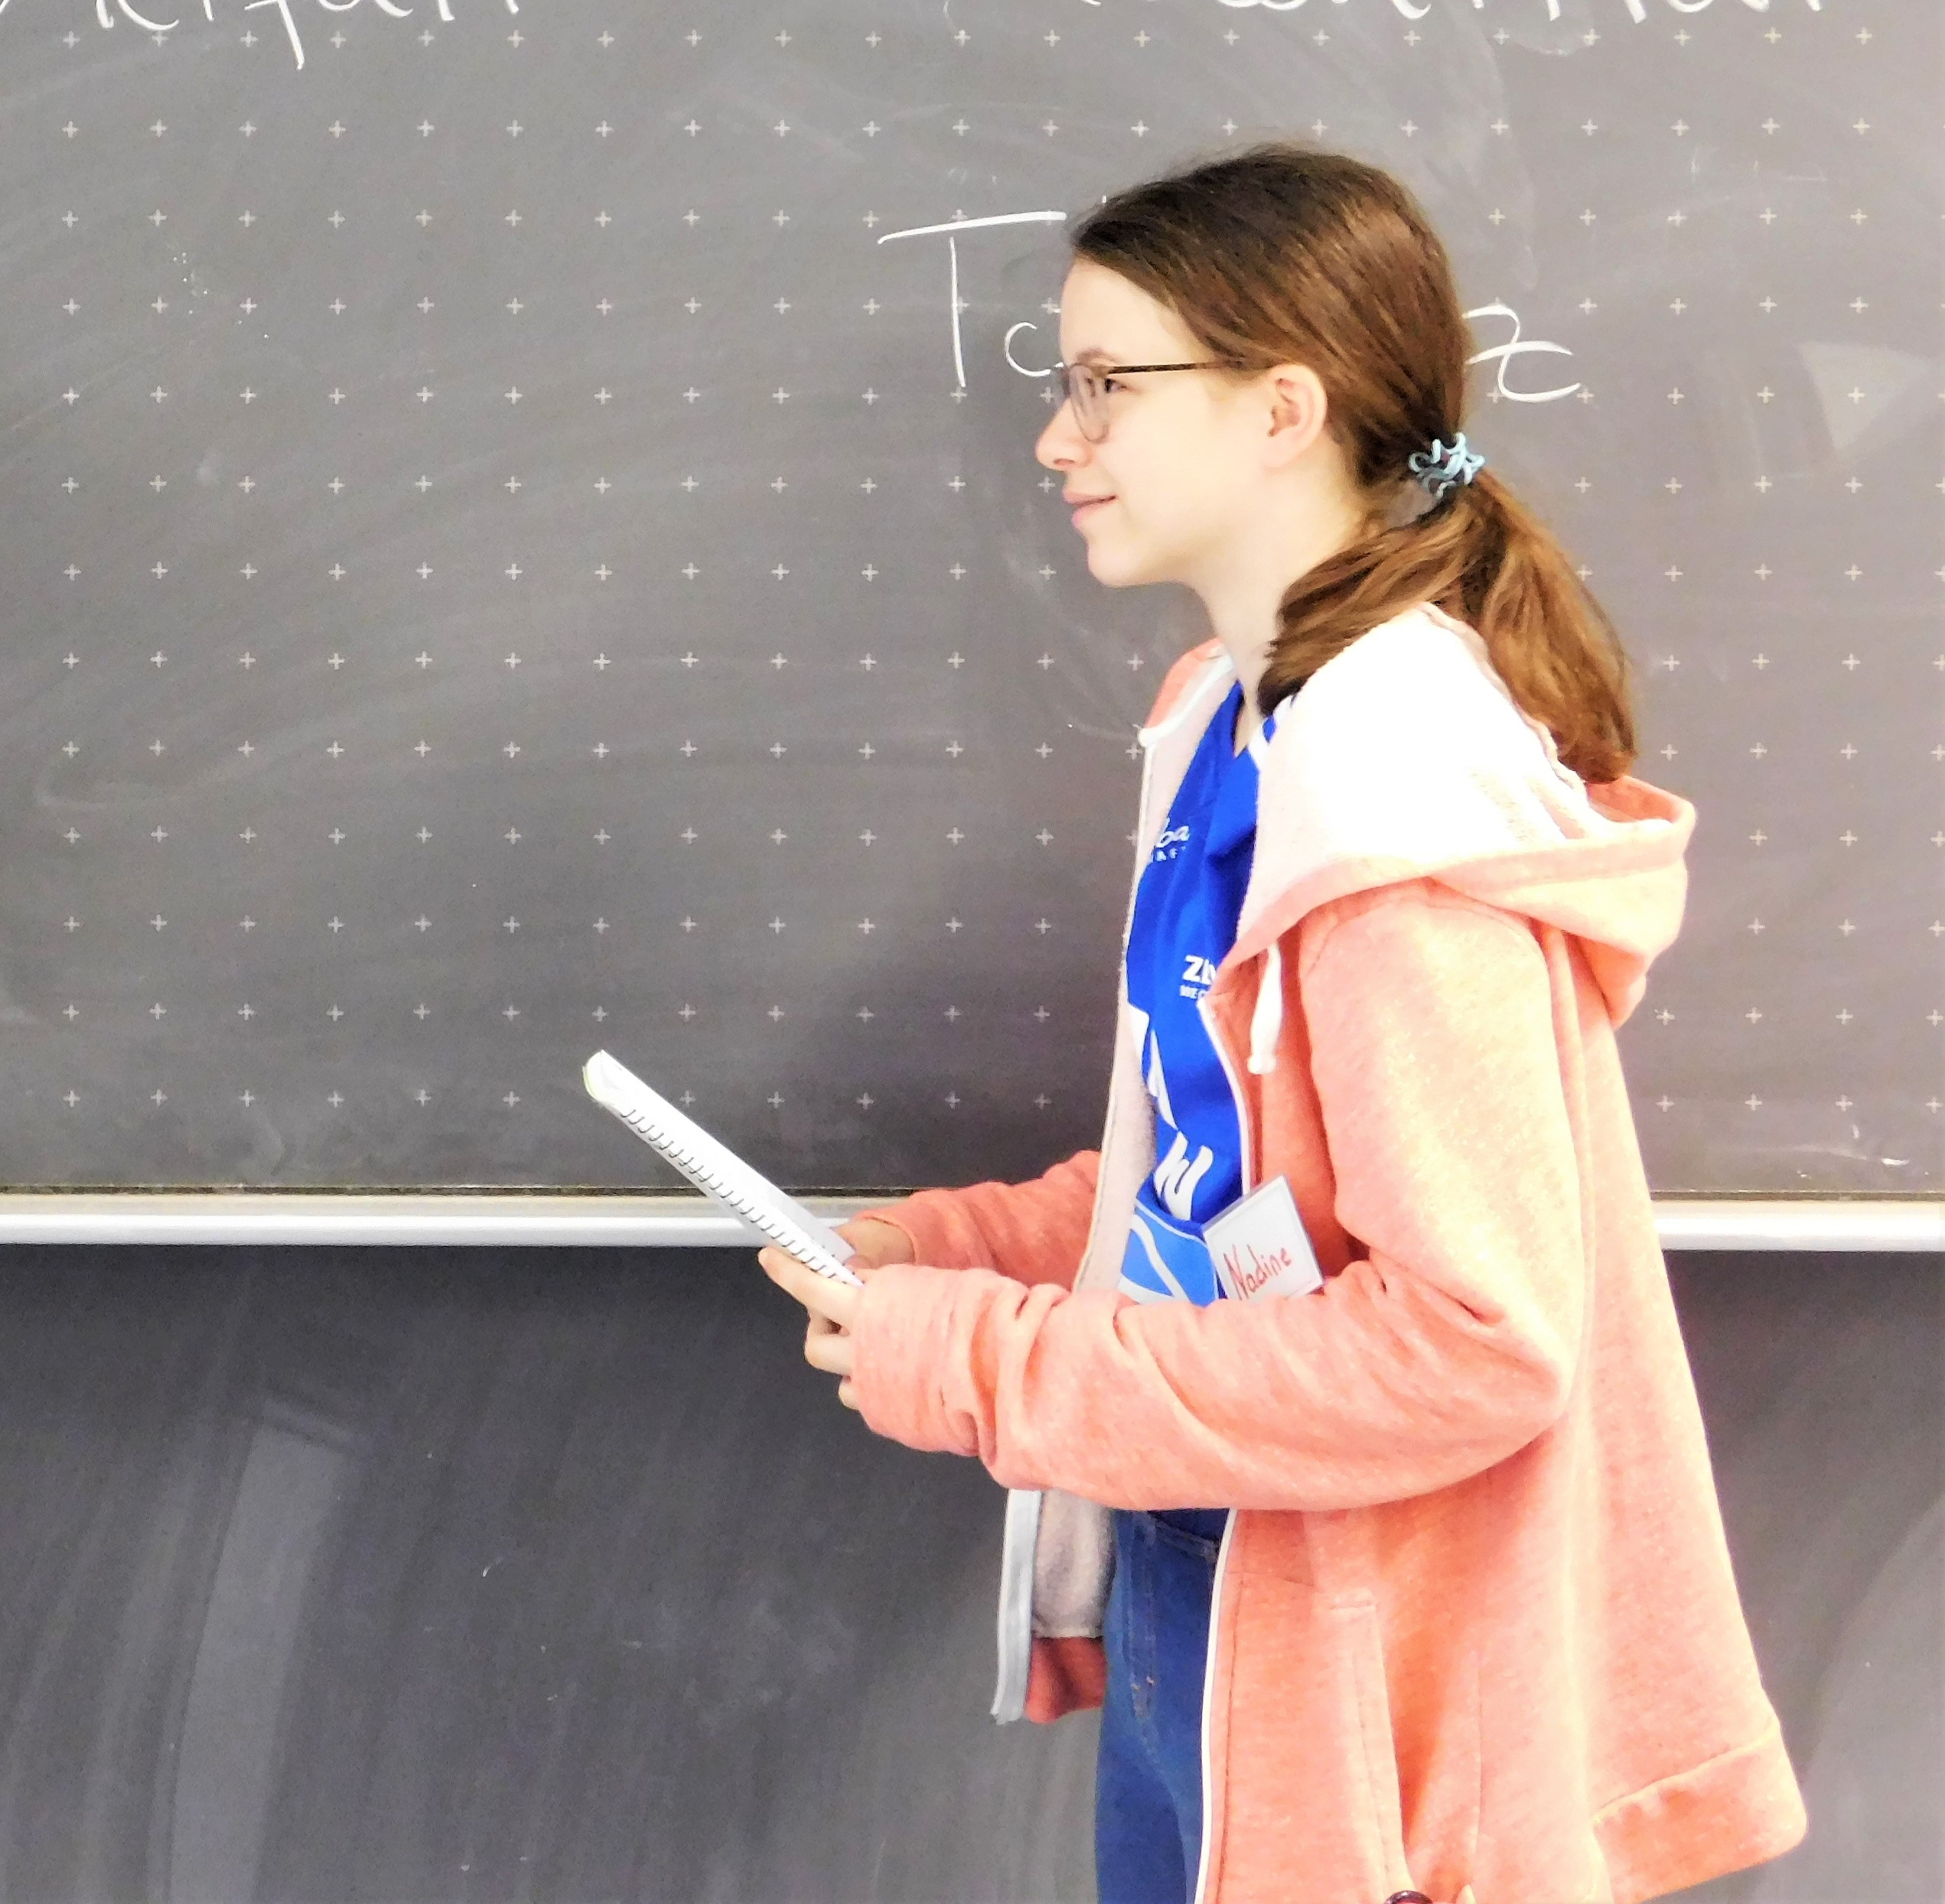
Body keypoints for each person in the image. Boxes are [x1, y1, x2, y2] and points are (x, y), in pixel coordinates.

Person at [753, 148, 1804, 1903]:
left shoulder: (1387, 801)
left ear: (1281, 410)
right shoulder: (1233, 723)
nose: (1055, 439)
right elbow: (1243, 1164)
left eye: (1107, 385)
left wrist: (992, 1362)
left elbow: (1473, 1335)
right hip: (1217, 1563)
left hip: (1365, 1655)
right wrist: (969, 1247)